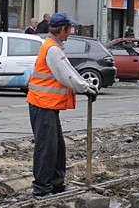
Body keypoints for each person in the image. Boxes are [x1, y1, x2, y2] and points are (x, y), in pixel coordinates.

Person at [26, 12, 98, 197]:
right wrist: (85, 88)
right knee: (46, 148)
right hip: (42, 105)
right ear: (62, 30)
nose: (71, 32)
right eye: (70, 29)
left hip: (47, 105)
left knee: (57, 146)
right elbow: (66, 76)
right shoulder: (53, 50)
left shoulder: (55, 47)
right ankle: (42, 188)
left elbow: (70, 72)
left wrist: (85, 84)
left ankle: (56, 184)